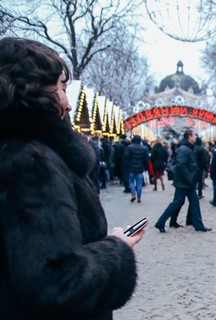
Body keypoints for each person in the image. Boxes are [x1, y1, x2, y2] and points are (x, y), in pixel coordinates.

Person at [0, 37, 143, 319]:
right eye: (62, 88)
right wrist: (117, 248)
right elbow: (58, 281)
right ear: (35, 90)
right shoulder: (30, 162)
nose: (67, 103)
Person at [154, 129, 212, 233]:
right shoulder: (185, 149)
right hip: (184, 182)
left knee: (193, 203)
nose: (196, 137)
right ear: (189, 136)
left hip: (187, 182)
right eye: (194, 135)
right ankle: (160, 222)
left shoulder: (187, 148)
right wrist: (189, 178)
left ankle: (198, 225)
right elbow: (181, 165)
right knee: (177, 203)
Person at [124, 135, 149, 203]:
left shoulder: (129, 147)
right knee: (139, 183)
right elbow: (146, 159)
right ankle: (139, 197)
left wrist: (127, 164)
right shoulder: (143, 148)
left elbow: (126, 157)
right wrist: (146, 168)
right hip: (140, 168)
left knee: (131, 182)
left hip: (131, 167)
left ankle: (133, 194)